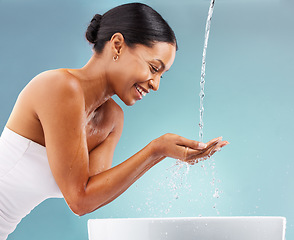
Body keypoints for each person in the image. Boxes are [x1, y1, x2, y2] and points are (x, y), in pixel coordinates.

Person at [0, 2, 228, 239]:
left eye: (162, 75)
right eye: (153, 68)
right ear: (117, 45)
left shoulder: (111, 119)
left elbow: (92, 197)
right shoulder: (61, 88)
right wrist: (156, 150)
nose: (155, 84)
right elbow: (79, 200)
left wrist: (161, 151)